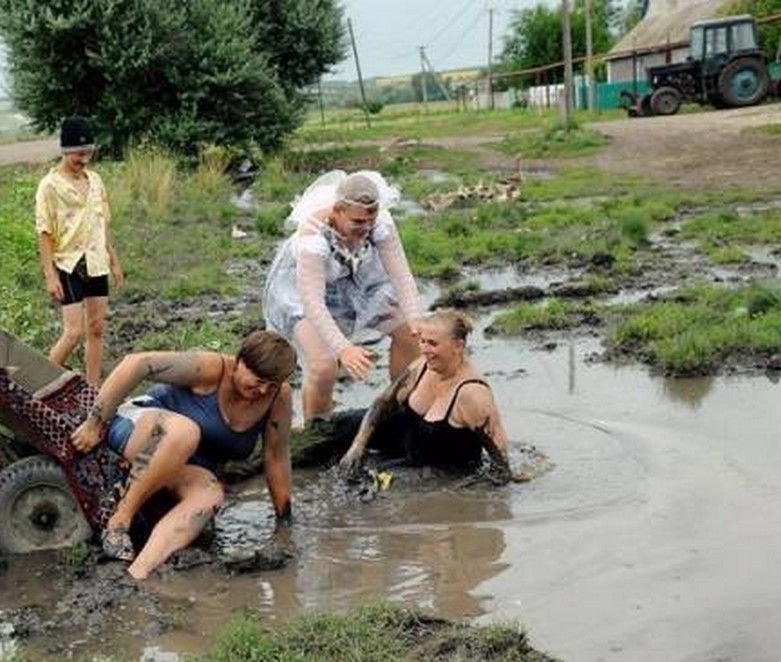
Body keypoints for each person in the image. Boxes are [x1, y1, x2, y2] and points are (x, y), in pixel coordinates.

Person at [70, 330, 296, 579]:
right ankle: (119, 522)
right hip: (142, 431)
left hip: (181, 466)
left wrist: (284, 520)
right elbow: (138, 363)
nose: (263, 390)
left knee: (210, 494)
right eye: (258, 380)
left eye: (271, 385)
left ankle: (137, 573)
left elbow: (276, 455)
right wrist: (94, 423)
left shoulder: (278, 397)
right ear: (240, 362)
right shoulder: (213, 369)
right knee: (185, 432)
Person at [263, 170, 422, 426]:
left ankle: (399, 408)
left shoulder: (378, 223)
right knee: (324, 364)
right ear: (337, 211)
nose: (364, 229)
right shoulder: (313, 236)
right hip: (300, 292)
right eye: (357, 222)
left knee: (408, 334)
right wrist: (343, 348)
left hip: (353, 279)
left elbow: (401, 275)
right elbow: (312, 301)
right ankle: (317, 431)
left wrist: (416, 320)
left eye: (369, 222)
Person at [338, 310, 512, 479]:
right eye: (422, 341)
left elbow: (499, 452)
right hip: (407, 445)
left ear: (458, 346)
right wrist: (358, 446)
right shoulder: (421, 366)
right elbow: (383, 403)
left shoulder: (473, 394)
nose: (425, 350)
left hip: (440, 471)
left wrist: (500, 484)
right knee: (334, 428)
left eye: (433, 344)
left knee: (373, 487)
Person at [35, 116, 123, 386]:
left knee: (96, 328)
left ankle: (93, 390)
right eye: (78, 154)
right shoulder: (50, 186)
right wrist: (50, 275)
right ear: (64, 151)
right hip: (68, 264)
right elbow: (44, 232)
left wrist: (115, 262)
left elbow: (101, 224)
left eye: (88, 153)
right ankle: (39, 382)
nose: (84, 159)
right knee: (73, 332)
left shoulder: (95, 181)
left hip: (96, 262)